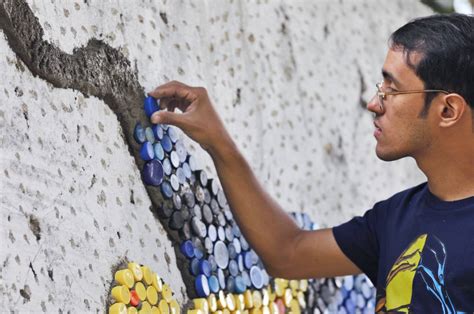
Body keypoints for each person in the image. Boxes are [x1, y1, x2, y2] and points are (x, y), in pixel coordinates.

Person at [149, 13, 474, 312]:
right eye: (381, 86)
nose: (374, 103)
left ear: (447, 110)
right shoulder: (396, 217)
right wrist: (218, 142)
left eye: (393, 89)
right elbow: (287, 253)